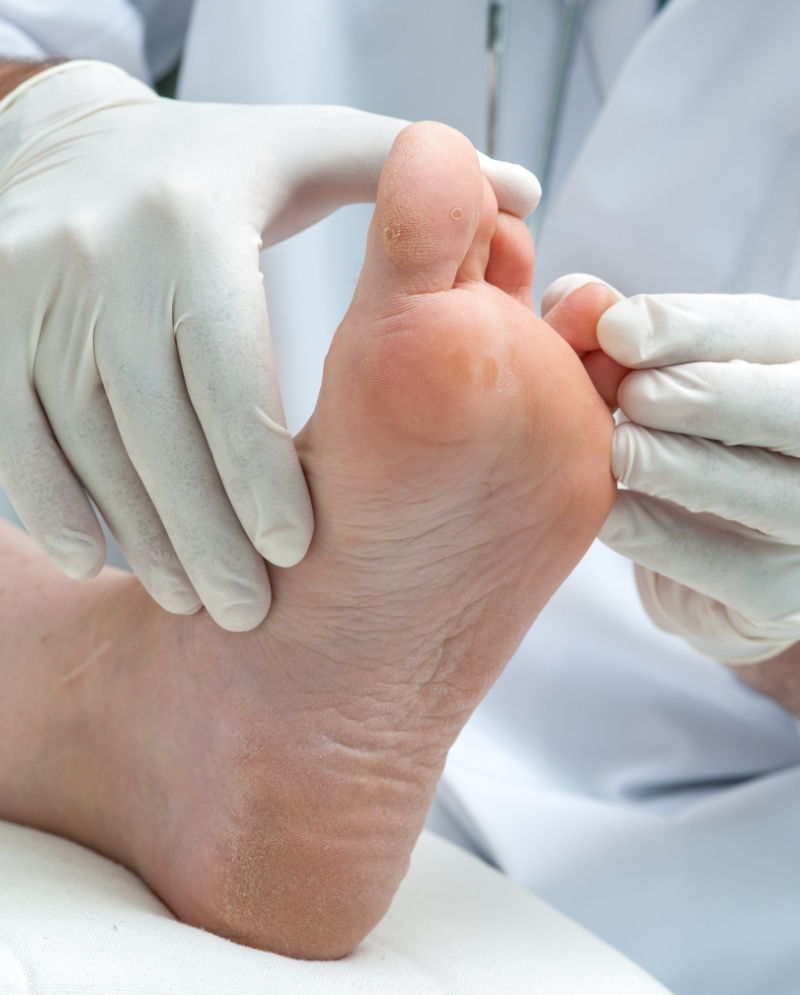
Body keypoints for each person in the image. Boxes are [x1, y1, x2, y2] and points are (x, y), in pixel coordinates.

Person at [3, 0, 800, 991]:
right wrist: (39, 127)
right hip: (174, 509)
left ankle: (113, 700)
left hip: (727, 829)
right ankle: (146, 705)